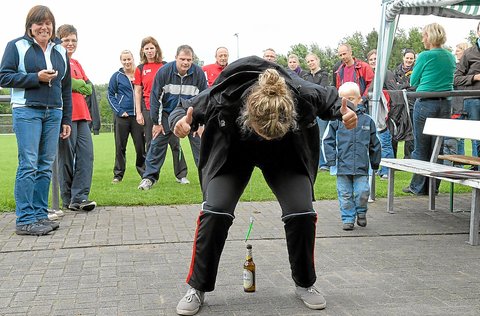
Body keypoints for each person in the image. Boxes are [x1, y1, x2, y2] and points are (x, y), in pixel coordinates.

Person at [169, 56, 358, 315]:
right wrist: (180, 122)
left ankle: (305, 283)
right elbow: (182, 109)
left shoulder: (304, 93)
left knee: (302, 213)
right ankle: (196, 288)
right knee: (215, 212)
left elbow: (334, 100)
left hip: (285, 154)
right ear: (247, 113)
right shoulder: (224, 94)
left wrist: (345, 113)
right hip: (234, 153)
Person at [0, 5, 71, 235]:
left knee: (44, 166)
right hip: (27, 110)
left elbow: (66, 87)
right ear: (30, 26)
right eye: (39, 23)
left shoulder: (59, 50)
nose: (44, 27)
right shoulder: (16, 46)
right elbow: (4, 76)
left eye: (48, 23)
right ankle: (25, 219)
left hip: (54, 112)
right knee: (28, 164)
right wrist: (35, 78)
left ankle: (40, 215)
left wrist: (66, 118)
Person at [137, 45, 206, 190]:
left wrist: (201, 124)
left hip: (191, 115)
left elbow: (204, 99)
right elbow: (156, 98)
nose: (185, 62)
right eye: (182, 59)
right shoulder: (164, 72)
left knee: (201, 146)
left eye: (189, 59)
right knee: (156, 146)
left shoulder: (198, 73)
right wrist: (157, 122)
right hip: (167, 115)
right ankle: (149, 178)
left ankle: (207, 177)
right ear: (176, 58)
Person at [402, 23, 456, 195]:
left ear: (429, 36)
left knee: (421, 146)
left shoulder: (425, 56)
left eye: (423, 35)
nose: (422, 38)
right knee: (437, 147)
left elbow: (413, 81)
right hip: (445, 104)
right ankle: (433, 187)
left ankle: (417, 186)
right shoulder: (450, 56)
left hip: (426, 103)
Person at [323, 82, 381, 230]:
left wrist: (375, 163)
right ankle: (348, 218)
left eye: (351, 98)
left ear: (359, 99)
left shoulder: (367, 120)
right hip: (342, 166)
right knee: (345, 194)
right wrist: (331, 160)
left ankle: (361, 211)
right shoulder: (336, 120)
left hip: (361, 166)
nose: (347, 102)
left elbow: (375, 143)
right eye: (343, 98)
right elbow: (327, 140)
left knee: (362, 192)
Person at [133, 36, 189, 184]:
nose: (150, 51)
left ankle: (181, 174)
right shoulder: (140, 69)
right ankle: (150, 176)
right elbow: (137, 91)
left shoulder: (165, 66)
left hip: (168, 110)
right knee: (152, 142)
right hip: (149, 109)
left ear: (156, 49)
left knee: (175, 142)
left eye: (152, 48)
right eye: (147, 48)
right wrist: (138, 112)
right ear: (143, 51)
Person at [56, 24, 97, 212]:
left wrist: (77, 84)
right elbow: (61, 82)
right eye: (66, 40)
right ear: (58, 41)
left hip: (83, 116)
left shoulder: (77, 63)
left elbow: (88, 87)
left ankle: (79, 197)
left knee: (86, 156)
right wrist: (75, 84)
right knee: (65, 157)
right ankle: (67, 198)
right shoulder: (56, 59)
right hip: (66, 115)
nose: (70, 44)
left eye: (73, 40)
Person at [108, 50, 146, 183]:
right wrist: (119, 110)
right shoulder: (116, 76)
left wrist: (141, 111)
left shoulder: (139, 73)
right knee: (120, 147)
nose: (127, 62)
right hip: (122, 117)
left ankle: (144, 173)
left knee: (141, 147)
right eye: (124, 60)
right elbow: (110, 95)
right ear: (121, 61)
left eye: (129, 59)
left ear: (133, 59)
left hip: (138, 117)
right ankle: (118, 175)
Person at [366, 49, 396, 180]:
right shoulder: (369, 74)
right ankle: (377, 168)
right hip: (371, 112)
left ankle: (387, 171)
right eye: (371, 59)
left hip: (383, 113)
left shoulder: (386, 73)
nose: (373, 61)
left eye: (375, 59)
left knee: (385, 142)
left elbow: (394, 91)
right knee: (374, 142)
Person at [454, 21, 480, 162]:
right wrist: (474, 77)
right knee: (477, 138)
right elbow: (456, 79)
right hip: (473, 99)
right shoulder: (469, 53)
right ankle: (477, 176)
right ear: (478, 32)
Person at [302, 52, 330, 171]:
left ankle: (325, 163)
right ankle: (316, 162)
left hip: (321, 110)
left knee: (323, 137)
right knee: (311, 137)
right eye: (308, 62)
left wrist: (310, 90)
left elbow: (321, 90)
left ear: (317, 60)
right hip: (310, 110)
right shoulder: (305, 76)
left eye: (312, 60)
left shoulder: (324, 75)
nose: (310, 63)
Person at [444, 42, 470, 165]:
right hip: (460, 104)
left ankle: (459, 162)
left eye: (458, 50)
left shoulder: (460, 68)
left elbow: (455, 82)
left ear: (464, 51)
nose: (455, 53)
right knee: (460, 137)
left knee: (457, 137)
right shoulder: (457, 66)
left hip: (459, 105)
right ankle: (460, 163)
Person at [393, 48, 416, 159]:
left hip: (411, 105)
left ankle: (408, 158)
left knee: (410, 133)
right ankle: (393, 158)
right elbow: (393, 87)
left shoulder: (416, 71)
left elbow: (414, 86)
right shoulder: (396, 71)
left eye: (411, 58)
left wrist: (401, 87)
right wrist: (405, 86)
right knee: (395, 131)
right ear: (403, 58)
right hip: (397, 105)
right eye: (407, 58)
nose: (409, 60)